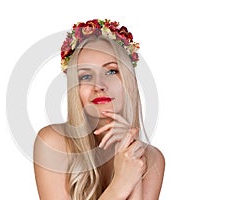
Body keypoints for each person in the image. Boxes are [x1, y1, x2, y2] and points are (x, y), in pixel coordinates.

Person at [33, 19, 165, 200]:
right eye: (85, 76)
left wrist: (133, 173)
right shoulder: (53, 142)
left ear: (129, 81)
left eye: (111, 71)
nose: (99, 85)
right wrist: (121, 183)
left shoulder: (152, 159)